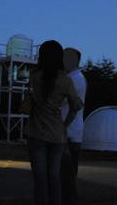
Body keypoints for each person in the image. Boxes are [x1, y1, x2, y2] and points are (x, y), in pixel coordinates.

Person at [26, 40, 82, 205]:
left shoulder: (34, 76)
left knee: (40, 180)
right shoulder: (66, 80)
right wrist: (65, 125)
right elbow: (76, 106)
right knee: (54, 178)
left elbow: (30, 101)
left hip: (36, 133)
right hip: (57, 135)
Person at [60, 48, 87, 205]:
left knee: (67, 176)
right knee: (68, 175)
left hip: (68, 132)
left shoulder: (73, 79)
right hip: (72, 132)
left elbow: (60, 100)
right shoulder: (76, 77)